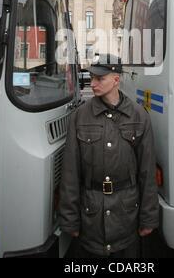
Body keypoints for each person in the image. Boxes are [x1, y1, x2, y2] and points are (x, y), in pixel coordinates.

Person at [58, 54, 159, 258]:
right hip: (90, 217)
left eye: (100, 78)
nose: (93, 83)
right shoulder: (80, 117)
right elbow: (70, 173)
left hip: (127, 215)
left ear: (116, 79)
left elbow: (147, 173)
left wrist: (148, 218)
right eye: (92, 77)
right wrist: (69, 219)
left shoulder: (139, 116)